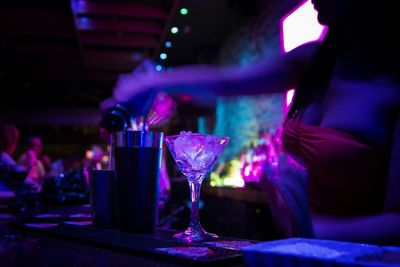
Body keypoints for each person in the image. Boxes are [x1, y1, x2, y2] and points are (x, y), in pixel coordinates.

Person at [112, 0, 400, 244]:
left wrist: (311, 227)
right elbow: (226, 82)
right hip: (298, 253)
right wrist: (154, 80)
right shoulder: (316, 60)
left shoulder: (392, 86)